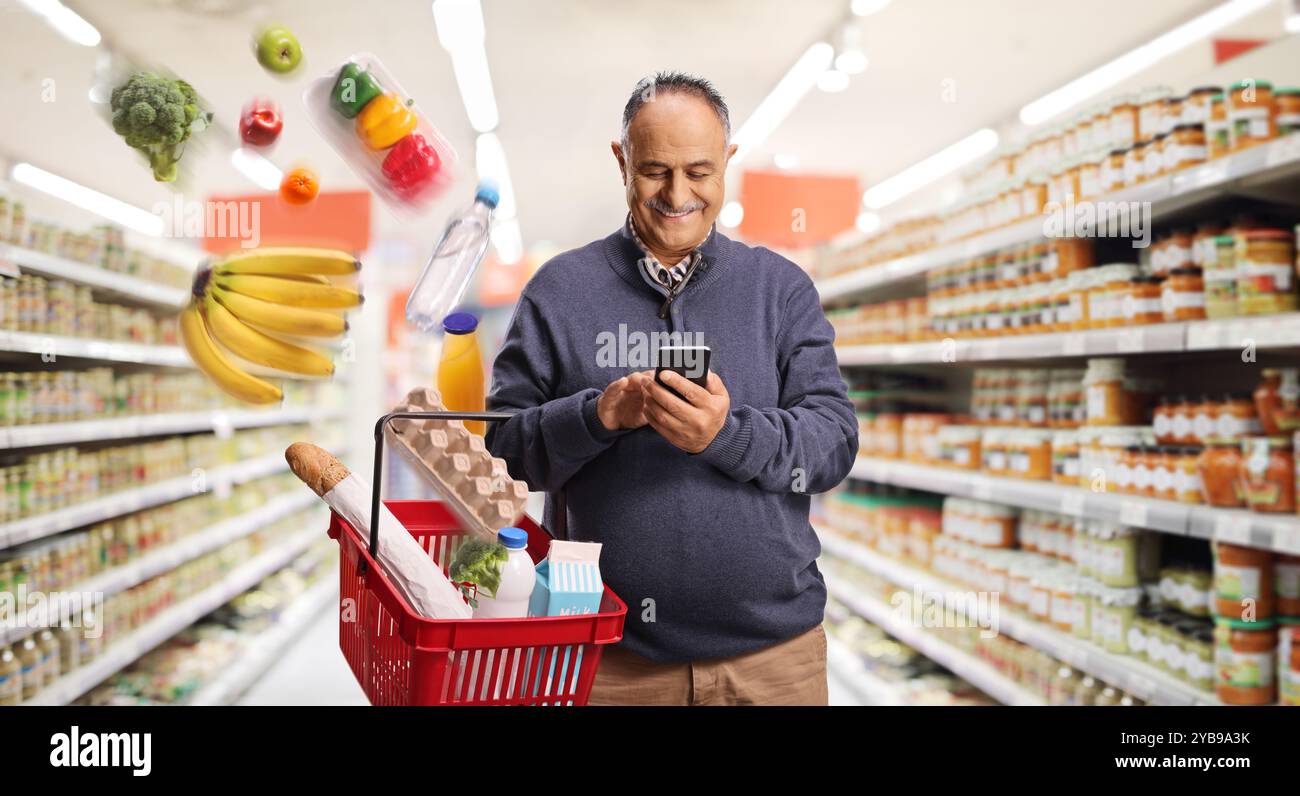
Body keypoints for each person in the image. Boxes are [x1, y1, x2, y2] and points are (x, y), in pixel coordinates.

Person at [486, 72, 858, 705]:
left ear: (728, 164)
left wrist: (727, 434)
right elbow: (505, 450)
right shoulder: (559, 290)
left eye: (700, 171)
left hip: (774, 660)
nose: (678, 194)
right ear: (621, 160)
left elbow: (832, 444)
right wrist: (598, 415)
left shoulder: (780, 289)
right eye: (655, 170)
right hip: (610, 661)